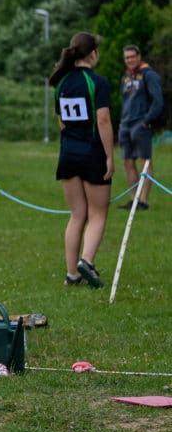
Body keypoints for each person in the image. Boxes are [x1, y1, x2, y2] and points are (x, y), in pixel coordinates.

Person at [47, 33, 115, 288]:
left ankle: (72, 274)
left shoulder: (61, 81)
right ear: (93, 53)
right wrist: (109, 156)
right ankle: (86, 262)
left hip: (68, 154)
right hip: (92, 153)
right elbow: (103, 120)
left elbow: (61, 122)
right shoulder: (97, 82)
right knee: (98, 213)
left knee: (77, 215)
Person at [117, 45, 164, 211]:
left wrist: (146, 121)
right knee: (127, 162)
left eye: (132, 56)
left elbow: (158, 101)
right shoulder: (126, 77)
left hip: (141, 124)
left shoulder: (149, 75)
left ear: (139, 56)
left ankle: (143, 200)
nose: (130, 60)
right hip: (125, 124)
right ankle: (133, 199)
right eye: (127, 57)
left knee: (145, 162)